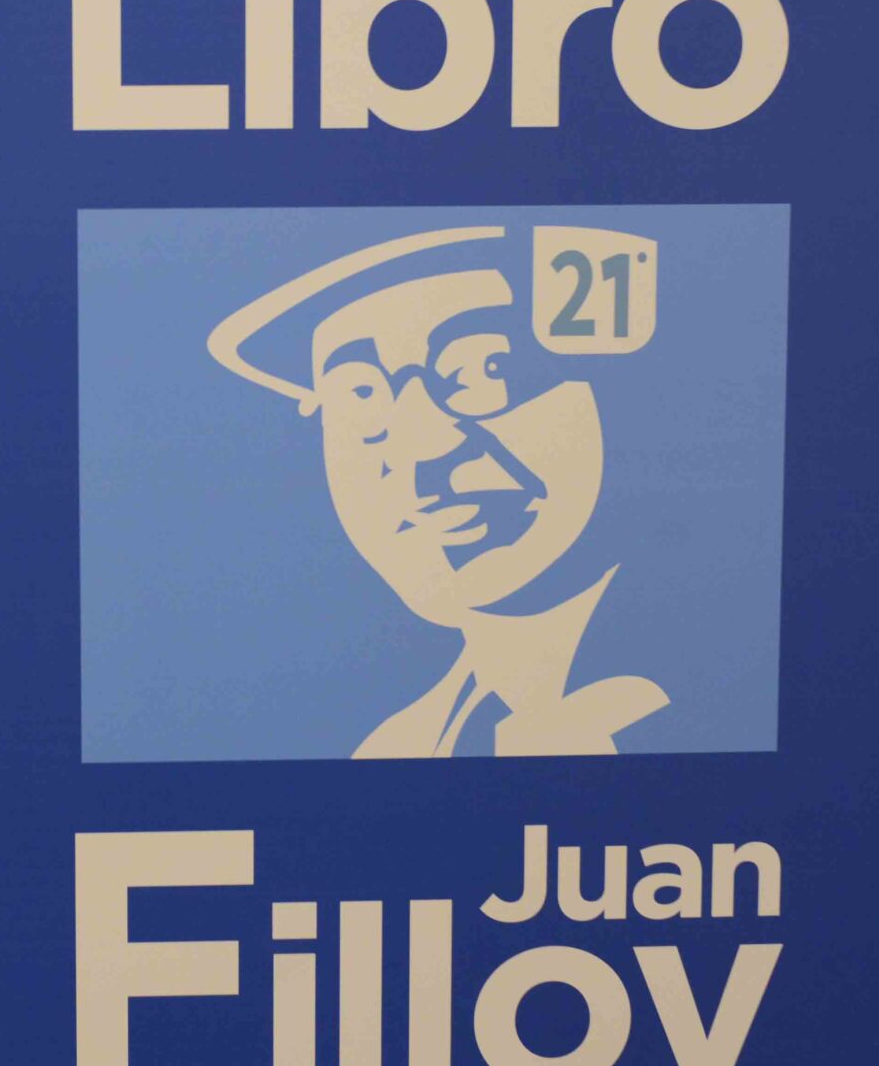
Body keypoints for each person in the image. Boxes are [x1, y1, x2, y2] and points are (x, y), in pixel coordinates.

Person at [208, 226, 664, 756]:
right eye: (360, 395)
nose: (418, 450)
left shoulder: (695, 687)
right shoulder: (397, 747)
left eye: (485, 369)